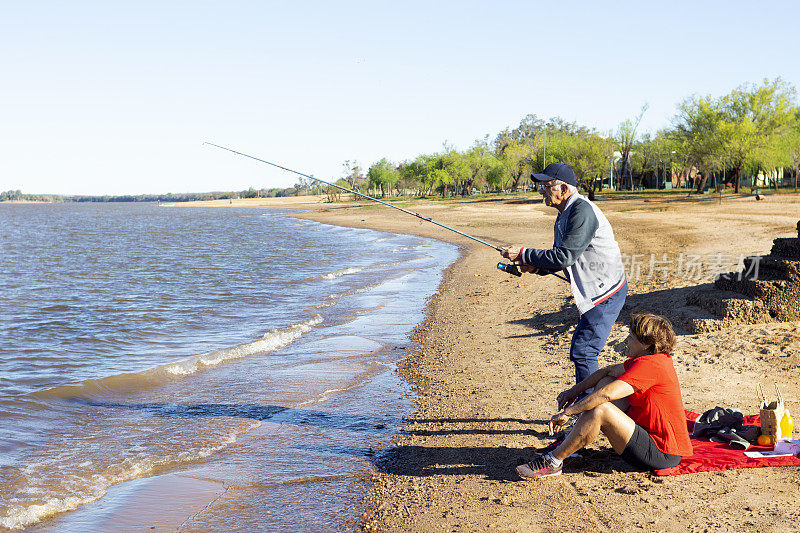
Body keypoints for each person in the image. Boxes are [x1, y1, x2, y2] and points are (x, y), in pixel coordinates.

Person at [516, 312, 693, 479]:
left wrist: (568, 412)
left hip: (662, 454)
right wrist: (574, 391)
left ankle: (553, 462)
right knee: (607, 380)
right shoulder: (651, 360)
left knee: (600, 408)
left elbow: (606, 395)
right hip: (648, 438)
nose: (626, 340)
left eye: (631, 337)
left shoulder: (652, 365)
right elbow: (606, 371)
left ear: (646, 344)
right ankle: (574, 437)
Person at [501, 162, 627, 388]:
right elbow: (560, 258)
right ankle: (589, 406)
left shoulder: (581, 211)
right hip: (596, 290)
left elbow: (564, 256)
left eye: (546, 186)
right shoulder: (565, 213)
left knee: (584, 350)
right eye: (541, 187)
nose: (542, 192)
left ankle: (589, 409)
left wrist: (524, 253)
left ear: (564, 189)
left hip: (606, 291)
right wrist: (536, 266)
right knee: (583, 350)